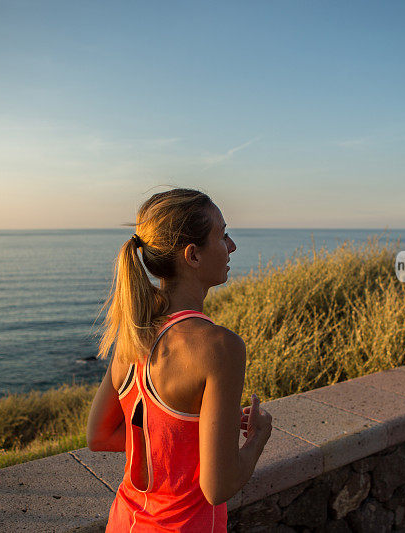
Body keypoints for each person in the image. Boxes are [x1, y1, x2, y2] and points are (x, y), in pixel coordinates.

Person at [86, 188, 273, 532]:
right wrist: (258, 437)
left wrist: (191, 438)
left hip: (124, 522)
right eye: (223, 235)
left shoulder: (133, 335)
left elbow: (100, 436)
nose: (231, 247)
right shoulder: (219, 347)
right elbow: (218, 488)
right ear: (194, 256)